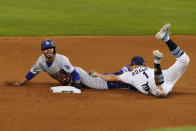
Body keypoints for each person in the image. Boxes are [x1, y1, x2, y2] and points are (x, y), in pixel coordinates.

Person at [91, 23, 190, 97]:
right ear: (143, 64)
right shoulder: (146, 68)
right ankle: (166, 39)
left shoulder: (129, 75)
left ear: (134, 66)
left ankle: (157, 61)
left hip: (154, 84)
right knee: (184, 60)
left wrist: (98, 74)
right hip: (164, 75)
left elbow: (112, 77)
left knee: (161, 91)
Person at [14, 39, 132, 90]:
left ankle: (125, 84)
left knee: (98, 85)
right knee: (96, 79)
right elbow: (31, 73)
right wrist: (21, 82)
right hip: (72, 79)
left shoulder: (61, 59)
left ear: (54, 49)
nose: (49, 50)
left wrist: (77, 83)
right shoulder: (40, 62)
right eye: (46, 49)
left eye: (51, 48)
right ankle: (122, 72)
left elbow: (74, 73)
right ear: (42, 51)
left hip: (78, 75)